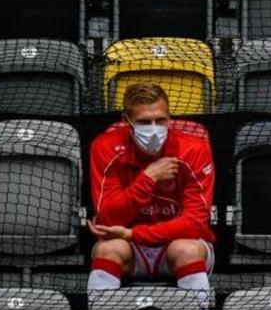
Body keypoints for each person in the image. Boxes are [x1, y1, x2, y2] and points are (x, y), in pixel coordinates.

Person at [86, 82, 216, 296]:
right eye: (145, 122)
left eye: (160, 120)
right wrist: (148, 177)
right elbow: (108, 216)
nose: (154, 129)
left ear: (169, 118)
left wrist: (132, 233)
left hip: (174, 244)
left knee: (187, 250)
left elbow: (194, 224)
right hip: (128, 249)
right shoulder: (105, 146)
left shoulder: (194, 149)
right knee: (107, 250)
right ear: (126, 122)